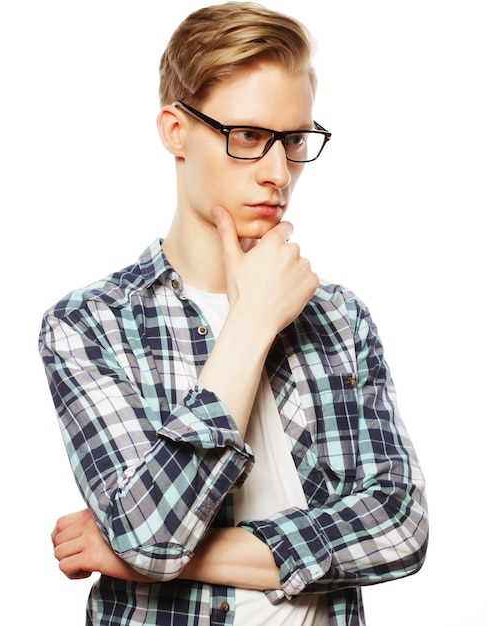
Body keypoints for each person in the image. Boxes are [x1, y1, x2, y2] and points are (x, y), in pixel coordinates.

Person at [39, 3, 428, 625]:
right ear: (175, 131)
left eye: (295, 140)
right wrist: (250, 323)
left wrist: (143, 551)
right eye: (248, 136)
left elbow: (399, 528)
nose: (279, 173)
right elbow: (152, 532)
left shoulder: (341, 320)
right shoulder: (92, 324)